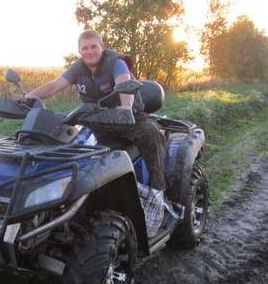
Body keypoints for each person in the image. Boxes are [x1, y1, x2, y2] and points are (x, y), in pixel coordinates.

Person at [26, 30, 168, 236]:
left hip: (129, 117)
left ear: (101, 47)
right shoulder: (78, 67)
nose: (90, 51)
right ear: (80, 50)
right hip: (95, 119)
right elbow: (55, 85)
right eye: (85, 48)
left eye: (94, 46)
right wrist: (28, 97)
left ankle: (157, 193)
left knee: (151, 133)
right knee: (65, 140)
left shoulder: (115, 61)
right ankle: (64, 196)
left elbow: (123, 83)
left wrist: (125, 108)